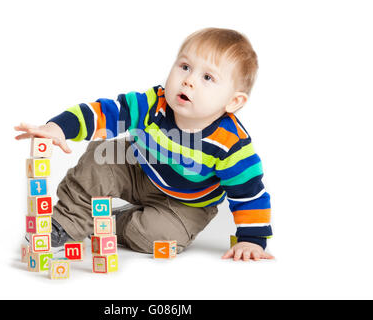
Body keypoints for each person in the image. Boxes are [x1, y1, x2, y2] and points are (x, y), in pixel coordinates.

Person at [15, 27, 274, 261]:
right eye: (184, 66)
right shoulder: (154, 103)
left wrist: (252, 240)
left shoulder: (232, 145)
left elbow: (249, 193)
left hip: (187, 204)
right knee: (101, 158)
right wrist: (59, 127)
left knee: (160, 238)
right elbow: (107, 112)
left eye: (208, 77)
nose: (189, 80)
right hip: (139, 167)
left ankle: (110, 222)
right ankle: (67, 222)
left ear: (234, 102)